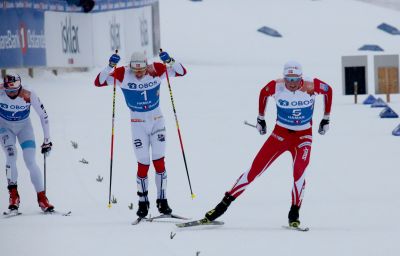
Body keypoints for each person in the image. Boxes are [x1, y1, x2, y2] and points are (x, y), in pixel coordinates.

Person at [204, 61, 332, 227]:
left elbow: (329, 91)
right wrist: (261, 118)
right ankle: (222, 206)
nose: (291, 84)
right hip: (280, 134)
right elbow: (263, 94)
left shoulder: (311, 85)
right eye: (288, 79)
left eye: (295, 79)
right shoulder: (276, 86)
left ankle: (294, 212)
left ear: (301, 78)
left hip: (303, 136)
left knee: (299, 169)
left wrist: (326, 118)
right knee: (255, 169)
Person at [94, 50, 187, 218]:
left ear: (146, 66)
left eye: (141, 70)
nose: (138, 74)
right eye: (135, 70)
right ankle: (143, 203)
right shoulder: (123, 73)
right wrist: (109, 66)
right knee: (143, 164)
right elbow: (98, 82)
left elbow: (181, 71)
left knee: (159, 162)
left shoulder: (156, 69)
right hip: (137, 124)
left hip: (157, 121)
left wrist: (170, 60)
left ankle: (163, 201)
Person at [0, 74, 54, 213]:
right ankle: (13, 195)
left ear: (20, 87)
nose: (10, 94)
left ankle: (42, 198)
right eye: (8, 91)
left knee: (30, 161)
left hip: (24, 127)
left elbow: (44, 116)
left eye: (13, 91)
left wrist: (47, 140)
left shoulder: (28, 93)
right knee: (11, 156)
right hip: (4, 127)